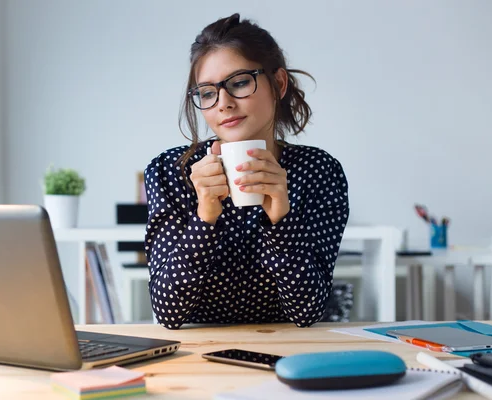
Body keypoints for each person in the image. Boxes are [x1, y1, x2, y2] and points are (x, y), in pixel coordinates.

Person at [143, 13, 349, 329]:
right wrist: (204, 219)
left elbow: (307, 313)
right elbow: (169, 314)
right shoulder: (171, 172)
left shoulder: (318, 172)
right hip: (198, 352)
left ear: (278, 83)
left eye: (239, 83)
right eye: (208, 92)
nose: (223, 103)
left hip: (288, 348)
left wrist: (280, 222)